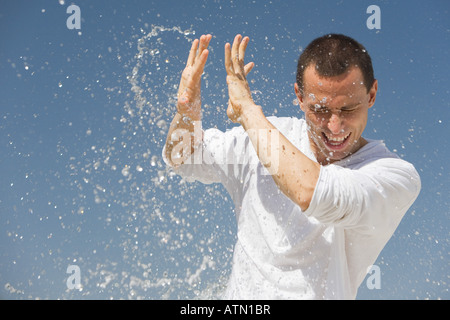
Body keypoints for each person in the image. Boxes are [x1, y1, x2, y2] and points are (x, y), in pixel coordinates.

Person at [162, 33, 421, 299]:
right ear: (299, 96)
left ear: (372, 95)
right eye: (320, 110)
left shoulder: (393, 175)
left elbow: (312, 192)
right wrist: (186, 113)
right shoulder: (263, 136)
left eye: (348, 109)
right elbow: (182, 157)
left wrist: (247, 111)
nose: (334, 126)